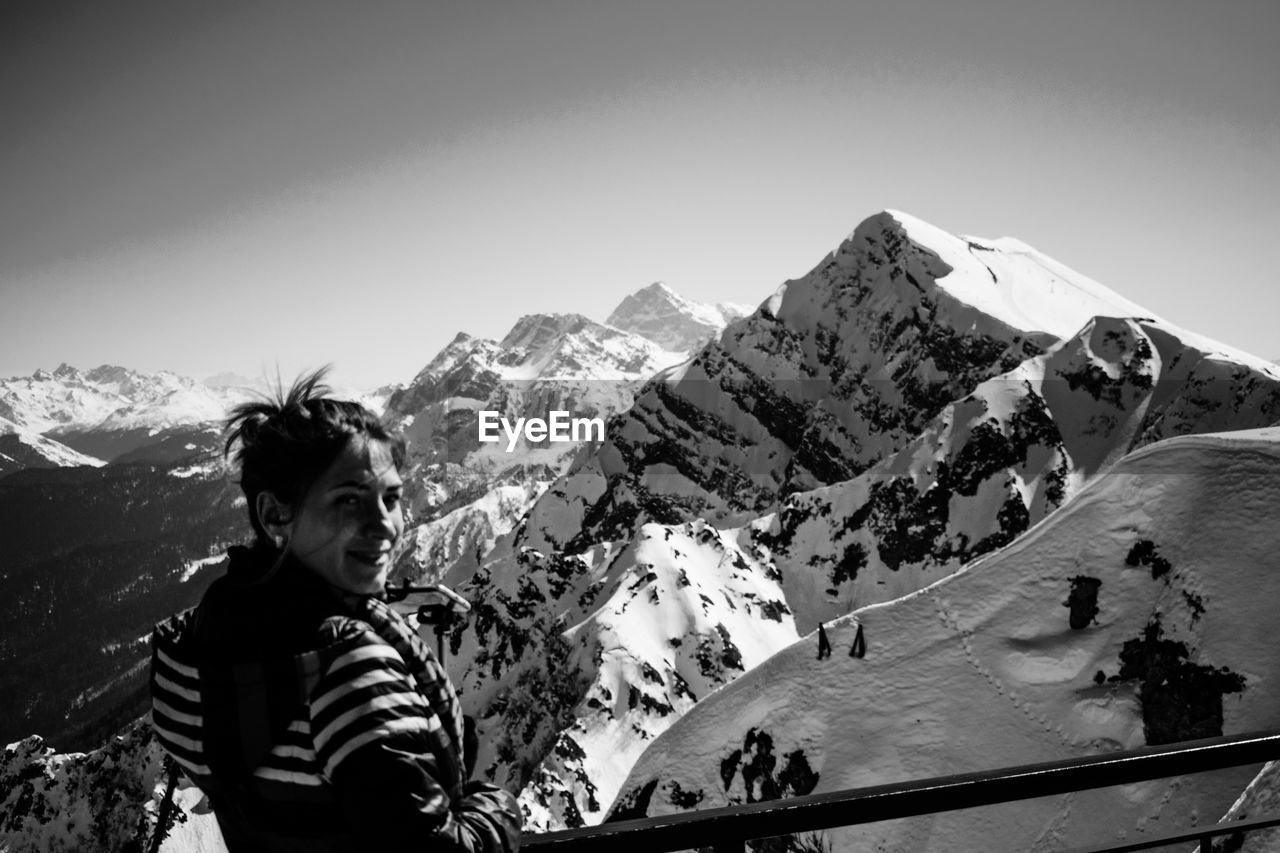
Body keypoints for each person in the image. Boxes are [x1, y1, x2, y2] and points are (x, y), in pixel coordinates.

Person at [149, 370, 521, 851]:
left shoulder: (219, 623)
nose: (384, 526)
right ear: (274, 514)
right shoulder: (349, 671)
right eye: (349, 500)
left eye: (390, 499)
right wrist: (494, 807)